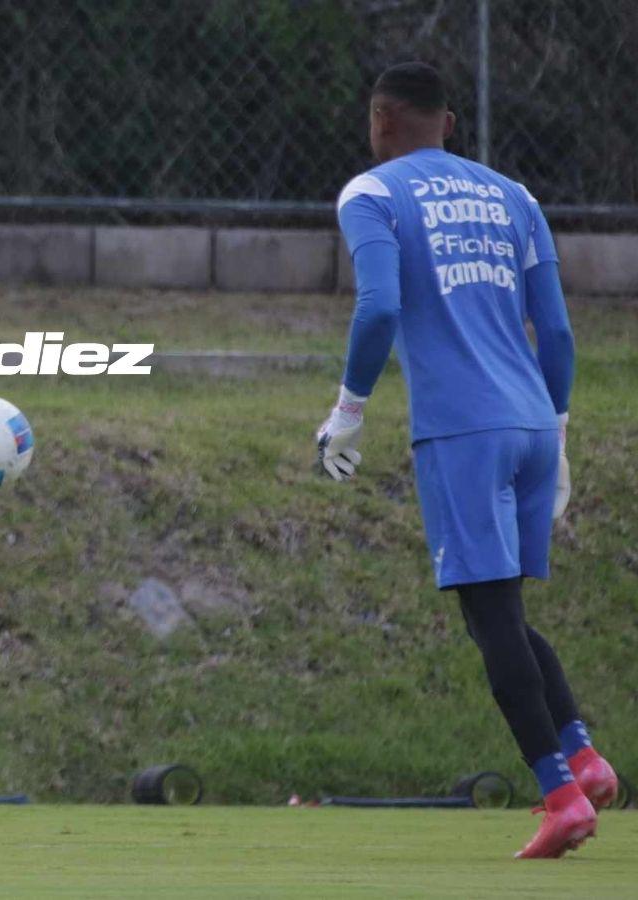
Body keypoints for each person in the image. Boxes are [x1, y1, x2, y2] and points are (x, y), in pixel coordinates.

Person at [316, 61, 617, 859]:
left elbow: (379, 304)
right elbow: (555, 333)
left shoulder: (372, 193)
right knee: (506, 611)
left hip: (462, 430)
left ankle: (559, 794)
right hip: (529, 421)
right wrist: (558, 435)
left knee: (488, 618)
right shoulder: (514, 197)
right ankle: (583, 757)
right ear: (449, 122)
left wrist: (348, 412)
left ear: (381, 120)